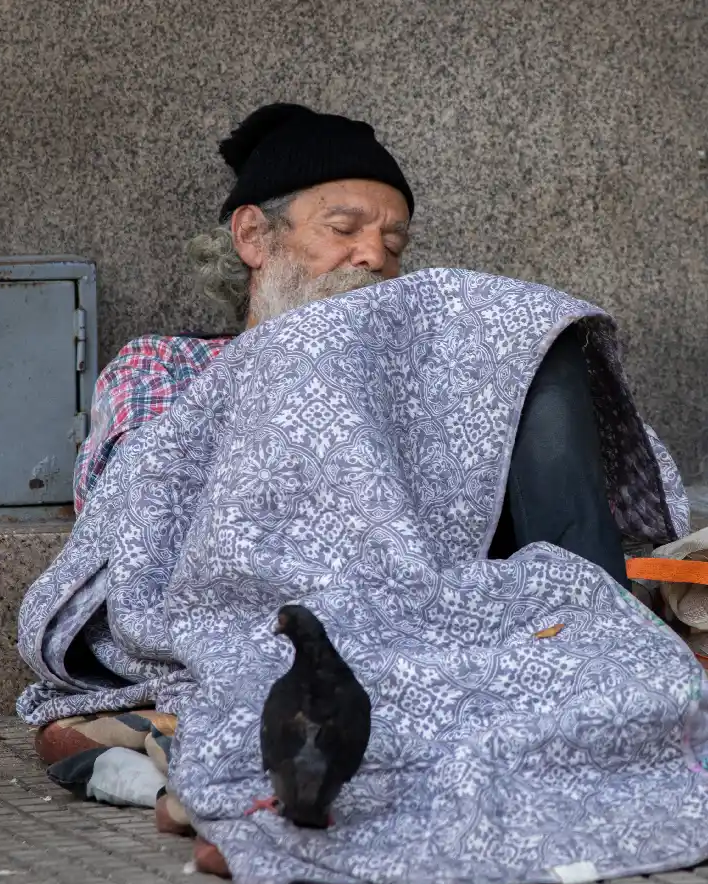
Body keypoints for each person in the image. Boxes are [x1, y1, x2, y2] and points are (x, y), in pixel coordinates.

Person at [75, 102, 631, 586]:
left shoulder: (433, 382)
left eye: (394, 242)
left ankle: (584, 621)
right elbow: (134, 522)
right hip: (260, 607)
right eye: (344, 229)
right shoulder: (162, 366)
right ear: (252, 235)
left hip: (432, 605)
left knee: (532, 341)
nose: (374, 257)